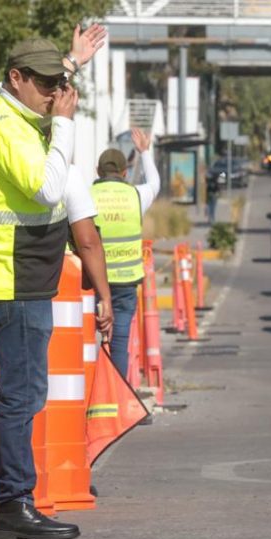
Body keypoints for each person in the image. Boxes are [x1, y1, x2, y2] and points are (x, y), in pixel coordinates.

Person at [0, 25, 108, 539]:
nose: (54, 93)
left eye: (58, 84)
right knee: (22, 396)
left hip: (21, 278)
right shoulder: (4, 127)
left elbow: (50, 82)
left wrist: (73, 61)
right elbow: (48, 191)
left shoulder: (22, 113)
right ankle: (10, 503)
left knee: (23, 392)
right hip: (10, 279)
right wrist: (65, 126)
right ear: (15, 78)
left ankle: (6, 501)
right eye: (44, 84)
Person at [90, 127, 161, 377]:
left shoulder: (86, 196)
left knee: (87, 341)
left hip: (92, 283)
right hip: (124, 283)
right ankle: (115, 400)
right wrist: (145, 152)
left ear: (98, 172)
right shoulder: (135, 195)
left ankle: (89, 398)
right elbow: (154, 184)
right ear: (124, 172)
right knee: (119, 341)